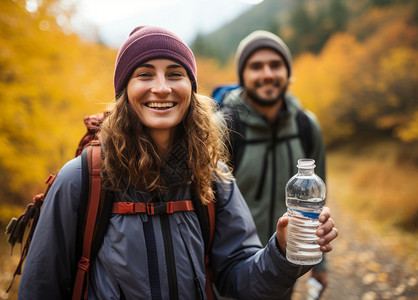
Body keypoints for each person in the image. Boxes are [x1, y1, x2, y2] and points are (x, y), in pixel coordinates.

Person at [17, 26, 338, 300]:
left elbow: (240, 277)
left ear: (191, 88)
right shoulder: (83, 178)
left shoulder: (214, 177)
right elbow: (40, 287)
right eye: (144, 74)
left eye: (175, 73)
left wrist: (281, 250)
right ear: (124, 90)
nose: (161, 87)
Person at [218, 30, 329, 296]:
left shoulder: (306, 126)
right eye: (256, 66)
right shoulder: (223, 128)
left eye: (276, 65)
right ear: (242, 76)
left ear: (287, 72)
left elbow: (319, 201)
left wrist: (321, 263)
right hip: (229, 274)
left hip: (283, 269)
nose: (267, 73)